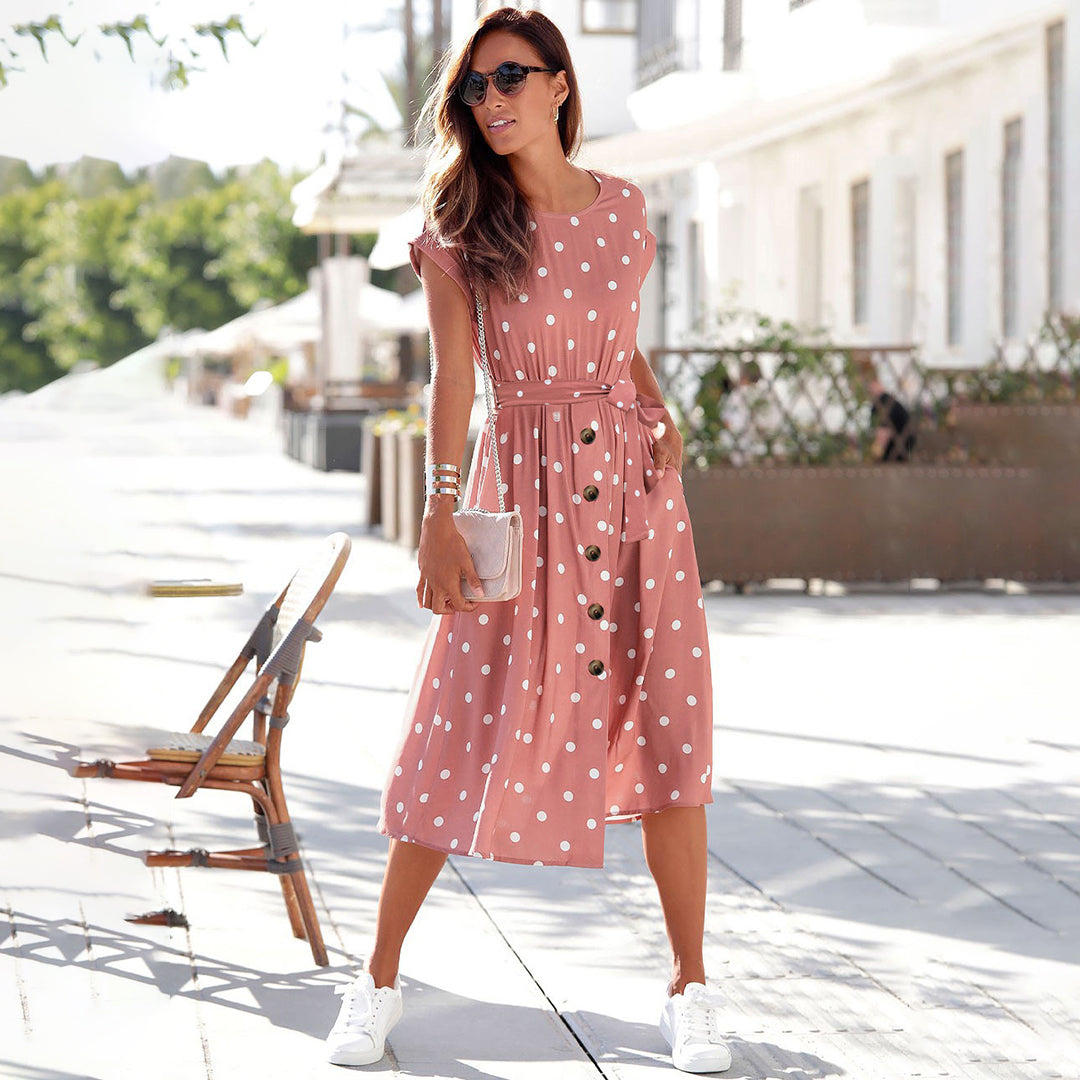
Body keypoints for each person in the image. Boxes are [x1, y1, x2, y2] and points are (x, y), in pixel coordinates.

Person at [325, 8, 729, 1074]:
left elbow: (617, 333)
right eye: (473, 87)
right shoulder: (462, 228)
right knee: (457, 719)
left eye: (509, 77)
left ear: (559, 84)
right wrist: (437, 514)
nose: (490, 100)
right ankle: (376, 979)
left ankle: (691, 985)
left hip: (635, 500)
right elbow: (454, 382)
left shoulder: (625, 208)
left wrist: (657, 406)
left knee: (668, 726)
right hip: (522, 495)